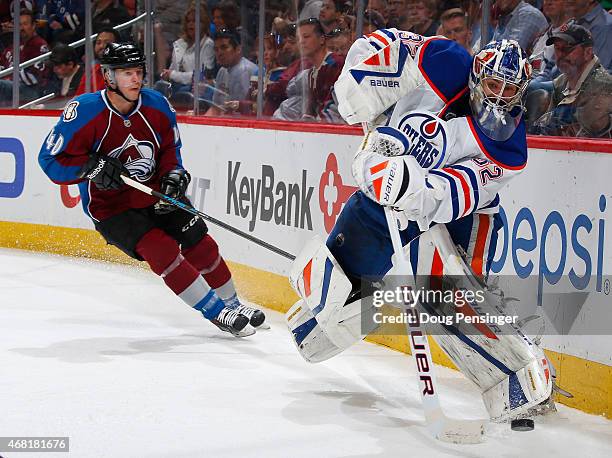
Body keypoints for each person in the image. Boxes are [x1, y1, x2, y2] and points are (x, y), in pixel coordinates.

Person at [287, 31, 555, 423]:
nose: (498, 97)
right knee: (325, 315)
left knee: (454, 299)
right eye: (492, 84)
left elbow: (451, 196)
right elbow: (371, 48)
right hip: (383, 195)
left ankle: (522, 378)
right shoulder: (441, 58)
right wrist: (364, 102)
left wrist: (406, 185)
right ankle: (322, 321)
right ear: (476, 75)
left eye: (508, 89)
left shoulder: (507, 146)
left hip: (463, 216)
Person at [38, 42, 266, 337]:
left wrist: (174, 175)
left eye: (138, 72)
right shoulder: (84, 112)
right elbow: (50, 161)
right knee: (161, 249)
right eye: (127, 73)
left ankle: (233, 303)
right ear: (108, 77)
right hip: (112, 209)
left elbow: (171, 149)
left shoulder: (157, 104)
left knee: (199, 241)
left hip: (156, 192)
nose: (136, 79)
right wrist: (89, 168)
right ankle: (216, 311)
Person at [0, 9, 50, 106]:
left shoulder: (39, 45)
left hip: (32, 91)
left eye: (25, 24)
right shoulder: (13, 46)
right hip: (12, 87)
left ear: (33, 26)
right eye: (19, 24)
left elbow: (34, 78)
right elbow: (2, 64)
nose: (21, 28)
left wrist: (8, 76)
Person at [205, 28, 257, 116]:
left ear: (238, 49)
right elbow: (216, 107)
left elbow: (244, 111)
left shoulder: (246, 71)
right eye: (216, 49)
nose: (219, 53)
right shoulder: (222, 71)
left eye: (224, 47)